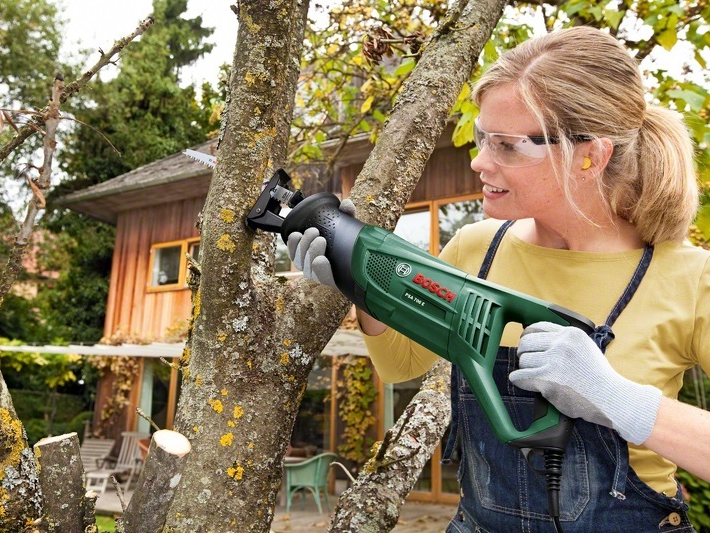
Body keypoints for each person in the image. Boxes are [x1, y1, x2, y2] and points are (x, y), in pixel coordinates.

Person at [288, 26, 710, 532]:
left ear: (589, 156)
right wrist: (360, 281)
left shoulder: (687, 277)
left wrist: (619, 400)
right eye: (484, 137)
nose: (478, 160)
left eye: (508, 146)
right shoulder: (476, 247)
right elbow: (400, 364)